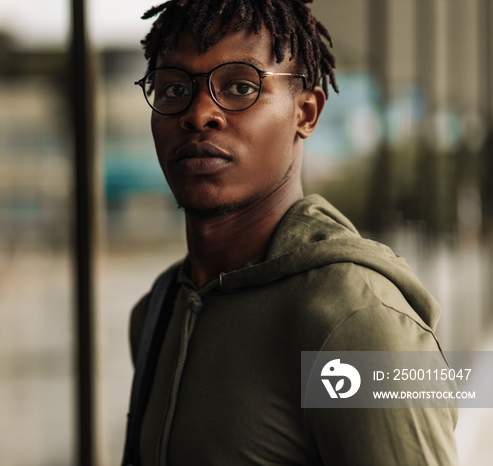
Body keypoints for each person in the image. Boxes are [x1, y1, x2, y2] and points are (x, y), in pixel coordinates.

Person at [122, 1, 459, 465]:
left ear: (306, 113)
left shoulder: (356, 320)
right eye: (174, 88)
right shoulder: (158, 311)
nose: (199, 113)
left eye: (240, 86)